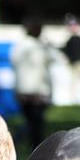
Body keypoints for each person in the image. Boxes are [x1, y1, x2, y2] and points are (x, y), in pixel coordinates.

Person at [11, 20, 53, 149]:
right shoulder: (40, 47)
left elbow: (13, 61)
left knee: (30, 121)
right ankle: (28, 144)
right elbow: (52, 58)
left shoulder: (19, 45)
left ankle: (18, 141)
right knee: (36, 123)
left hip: (22, 89)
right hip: (38, 90)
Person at [61, 17, 80, 105]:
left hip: (78, 63)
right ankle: (73, 99)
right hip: (73, 63)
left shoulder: (79, 39)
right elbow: (65, 51)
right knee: (74, 81)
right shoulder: (69, 40)